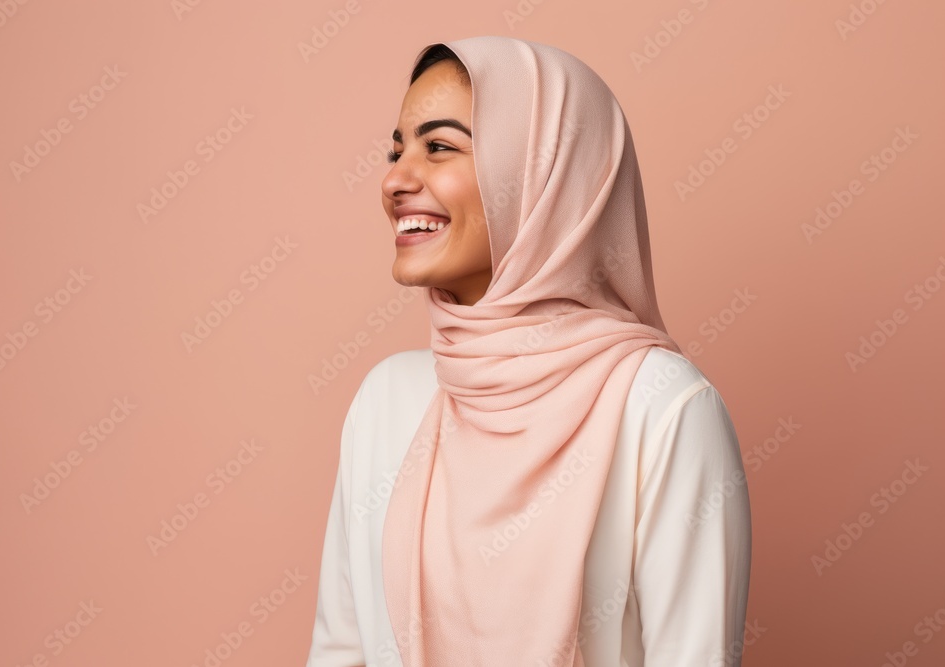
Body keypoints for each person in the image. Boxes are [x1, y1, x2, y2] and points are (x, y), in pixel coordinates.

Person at [306, 36, 752, 667]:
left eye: (438, 146)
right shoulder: (387, 399)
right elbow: (340, 653)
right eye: (397, 150)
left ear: (544, 173)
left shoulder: (664, 408)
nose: (395, 179)